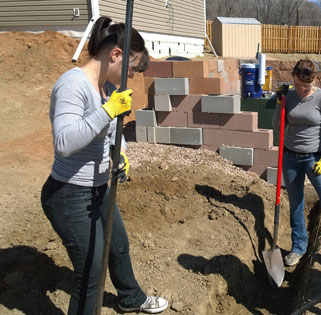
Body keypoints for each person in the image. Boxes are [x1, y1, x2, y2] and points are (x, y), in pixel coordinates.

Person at [41, 16, 168, 315]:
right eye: (132, 67)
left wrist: (120, 152)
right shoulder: (73, 85)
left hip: (98, 188)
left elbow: (113, 134)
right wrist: (107, 111)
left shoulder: (107, 88)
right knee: (90, 272)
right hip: (69, 194)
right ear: (116, 55)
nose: (133, 77)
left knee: (118, 246)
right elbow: (64, 141)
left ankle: (130, 298)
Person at [272, 59, 321, 277]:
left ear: (314, 80)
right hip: (290, 157)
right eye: (298, 85)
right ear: (293, 79)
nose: (302, 90)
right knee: (295, 202)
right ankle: (298, 247)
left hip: (315, 158)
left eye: (307, 86)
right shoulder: (290, 96)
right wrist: (279, 104)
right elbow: (278, 126)